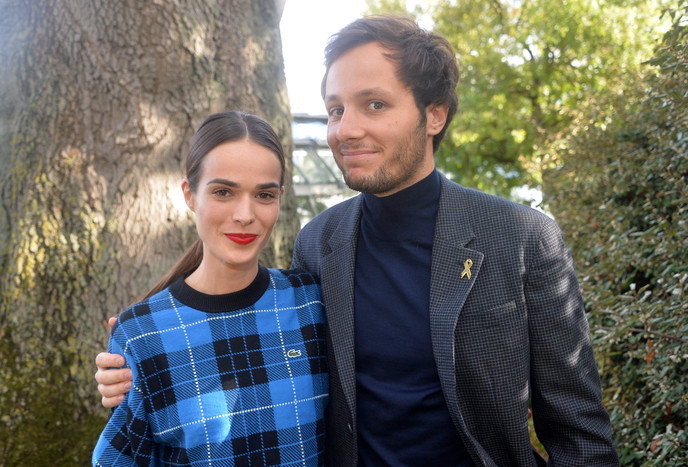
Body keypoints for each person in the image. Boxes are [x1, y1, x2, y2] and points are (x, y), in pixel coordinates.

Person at [96, 15, 619, 466]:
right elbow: (255, 327)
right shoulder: (319, 243)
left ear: (433, 114)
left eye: (373, 105)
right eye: (336, 109)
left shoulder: (522, 238)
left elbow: (578, 431)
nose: (345, 130)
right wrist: (141, 357)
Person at [92, 111, 328, 466]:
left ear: (280, 197)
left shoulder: (313, 302)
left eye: (263, 195)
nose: (245, 214)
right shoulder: (141, 334)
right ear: (190, 194)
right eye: (223, 192)